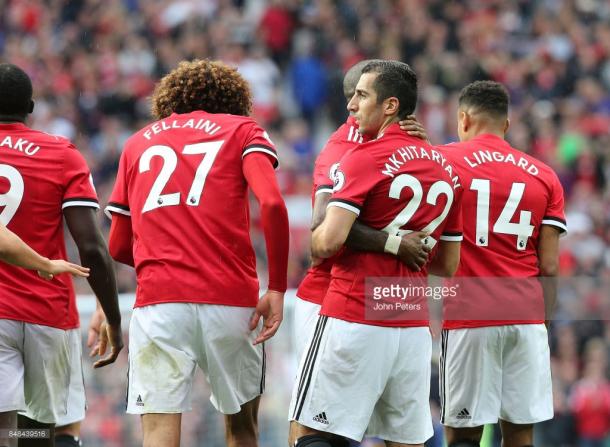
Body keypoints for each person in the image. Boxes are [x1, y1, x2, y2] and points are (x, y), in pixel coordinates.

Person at [104, 59, 289, 447]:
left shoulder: (138, 142)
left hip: (160, 303)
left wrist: (166, 258)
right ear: (234, 99)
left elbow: (117, 245)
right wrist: (277, 287)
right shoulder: (243, 129)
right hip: (231, 300)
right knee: (241, 428)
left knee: (157, 431)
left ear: (168, 99)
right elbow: (271, 204)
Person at [289, 60, 463, 447]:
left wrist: (336, 238)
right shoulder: (446, 168)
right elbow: (448, 264)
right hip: (412, 321)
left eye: (360, 95)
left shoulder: (358, 155)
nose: (351, 105)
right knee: (406, 439)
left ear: (390, 105)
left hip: (349, 307)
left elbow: (324, 237)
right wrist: (398, 242)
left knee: (312, 431)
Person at [432, 81, 566, 447]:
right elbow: (550, 266)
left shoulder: (443, 160)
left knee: (463, 435)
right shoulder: (544, 175)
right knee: (520, 434)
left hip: (470, 316)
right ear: (506, 125)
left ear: (463, 118)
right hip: (525, 318)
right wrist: (543, 316)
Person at [0, 63, 123, 447]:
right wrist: (113, 318)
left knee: (6, 430)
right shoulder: (61, 154)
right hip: (48, 311)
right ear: (31, 106)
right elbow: (91, 245)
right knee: (58, 430)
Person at [293, 58, 430, 362]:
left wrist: (425, 152)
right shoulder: (345, 147)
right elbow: (322, 230)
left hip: (382, 304)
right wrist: (393, 244)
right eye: (360, 95)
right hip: (329, 299)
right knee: (317, 410)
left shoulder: (389, 146)